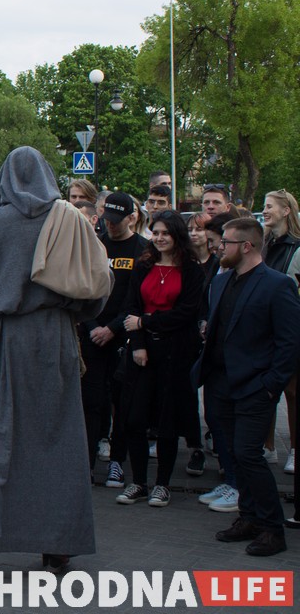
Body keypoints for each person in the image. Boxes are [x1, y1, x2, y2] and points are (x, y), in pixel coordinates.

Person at [0, 146, 110, 583]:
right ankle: (57, 547)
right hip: (55, 338)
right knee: (57, 441)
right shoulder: (70, 218)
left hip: (5, 338)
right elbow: (96, 287)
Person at [198, 217, 300, 557]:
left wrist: (271, 385)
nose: (218, 247)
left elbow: (290, 342)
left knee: (248, 455)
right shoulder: (221, 281)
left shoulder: (277, 285)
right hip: (220, 383)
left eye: (225, 242)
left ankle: (272, 528)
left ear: (246, 246)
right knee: (234, 456)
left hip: (255, 387)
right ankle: (250, 517)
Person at [114, 211, 204, 508]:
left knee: (168, 423)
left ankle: (162, 484)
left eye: (166, 232)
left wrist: (146, 322)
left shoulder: (191, 270)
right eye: (156, 232)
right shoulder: (144, 265)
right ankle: (139, 482)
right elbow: (131, 307)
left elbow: (186, 313)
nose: (160, 238)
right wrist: (139, 341)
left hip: (175, 354)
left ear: (177, 235)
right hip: (142, 353)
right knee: (134, 418)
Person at [81, 192, 147, 490]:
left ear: (131, 218)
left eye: (117, 221)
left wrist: (112, 328)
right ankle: (86, 463)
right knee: (92, 402)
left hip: (124, 336)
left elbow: (137, 299)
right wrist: (94, 326)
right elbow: (82, 291)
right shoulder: (94, 245)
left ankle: (118, 462)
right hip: (93, 334)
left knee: (122, 403)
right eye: (107, 219)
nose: (111, 225)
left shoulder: (142, 250)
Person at [260, 189, 300, 473]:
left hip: (288, 328)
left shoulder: (296, 247)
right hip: (264, 327)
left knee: (293, 392)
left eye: (269, 206)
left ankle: (295, 450)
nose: (264, 211)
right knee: (265, 389)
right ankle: (268, 447)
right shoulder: (264, 245)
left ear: (286, 211)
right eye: (263, 206)